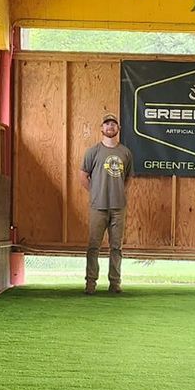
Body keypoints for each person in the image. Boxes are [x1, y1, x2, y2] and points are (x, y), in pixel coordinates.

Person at [81, 113, 133, 294]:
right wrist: (96, 192)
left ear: (118, 129)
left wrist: (118, 192)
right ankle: (90, 284)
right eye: (107, 124)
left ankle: (115, 283)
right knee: (93, 246)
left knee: (116, 247)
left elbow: (128, 178)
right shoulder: (93, 152)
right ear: (101, 129)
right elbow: (83, 176)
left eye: (113, 124)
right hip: (98, 207)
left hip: (119, 207)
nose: (110, 126)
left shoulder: (125, 152)